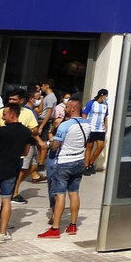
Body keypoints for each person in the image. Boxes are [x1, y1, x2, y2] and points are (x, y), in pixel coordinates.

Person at [0, 103, 40, 242]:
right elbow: (25, 152)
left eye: (4, 115)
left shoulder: (2, 131)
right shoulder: (26, 132)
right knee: (6, 200)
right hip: (12, 169)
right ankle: (2, 233)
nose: (2, 117)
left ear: (12, 114)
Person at [38, 94, 89, 237]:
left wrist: (49, 143)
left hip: (64, 162)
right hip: (79, 160)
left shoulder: (65, 125)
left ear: (73, 108)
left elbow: (55, 145)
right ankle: (73, 225)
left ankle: (55, 228)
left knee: (60, 195)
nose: (64, 109)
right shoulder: (86, 124)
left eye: (66, 107)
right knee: (74, 193)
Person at [82, 89, 109, 175]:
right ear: (102, 95)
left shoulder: (105, 105)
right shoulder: (91, 103)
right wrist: (85, 124)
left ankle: (91, 163)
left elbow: (105, 116)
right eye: (105, 96)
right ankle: (86, 166)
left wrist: (106, 126)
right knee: (89, 146)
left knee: (101, 146)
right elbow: (84, 113)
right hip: (91, 128)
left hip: (100, 128)